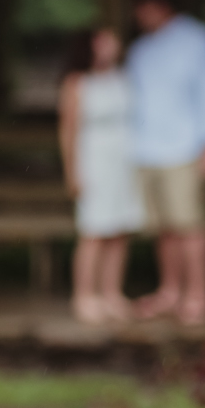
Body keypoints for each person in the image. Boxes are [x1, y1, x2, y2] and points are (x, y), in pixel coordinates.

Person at [125, 0, 205, 325]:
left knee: (190, 226)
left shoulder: (195, 39)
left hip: (184, 149)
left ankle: (198, 295)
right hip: (146, 151)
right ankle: (170, 292)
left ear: (159, 5)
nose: (139, 15)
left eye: (142, 7)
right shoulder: (140, 50)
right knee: (163, 228)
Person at [58, 25, 144, 324]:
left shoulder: (123, 78)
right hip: (94, 160)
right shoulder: (77, 83)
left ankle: (111, 293)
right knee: (93, 231)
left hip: (124, 161)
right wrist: (72, 173)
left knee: (119, 231)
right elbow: (68, 131)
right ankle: (84, 295)